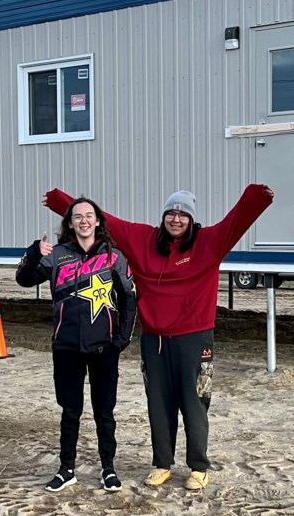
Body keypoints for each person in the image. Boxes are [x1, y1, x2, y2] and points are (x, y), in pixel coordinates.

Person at [43, 184, 274, 490]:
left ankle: (198, 466)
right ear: (164, 215)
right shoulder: (144, 240)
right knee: (158, 403)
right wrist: (61, 201)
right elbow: (104, 220)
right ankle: (162, 463)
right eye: (171, 213)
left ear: (191, 220)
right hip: (154, 340)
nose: (176, 219)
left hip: (194, 339)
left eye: (182, 214)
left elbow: (235, 222)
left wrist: (255, 198)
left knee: (194, 401)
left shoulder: (208, 242)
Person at [15, 197, 138, 493]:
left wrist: (120, 340)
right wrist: (33, 253)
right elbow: (24, 279)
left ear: (98, 222)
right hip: (66, 347)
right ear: (69, 223)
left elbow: (130, 299)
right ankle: (66, 468)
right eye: (77, 216)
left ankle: (108, 468)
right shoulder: (56, 255)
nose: (84, 221)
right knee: (70, 410)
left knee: (104, 411)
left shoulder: (114, 257)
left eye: (89, 216)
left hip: (103, 348)